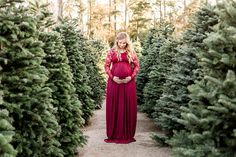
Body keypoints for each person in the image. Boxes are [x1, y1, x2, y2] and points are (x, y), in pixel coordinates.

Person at [104, 32, 140, 144]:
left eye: (124, 43)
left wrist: (131, 77)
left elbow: (137, 66)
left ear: (127, 42)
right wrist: (112, 77)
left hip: (128, 83)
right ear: (117, 42)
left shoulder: (131, 52)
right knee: (114, 106)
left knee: (127, 105)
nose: (122, 45)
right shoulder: (112, 52)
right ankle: (114, 133)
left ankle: (127, 133)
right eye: (120, 42)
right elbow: (106, 66)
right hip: (114, 83)